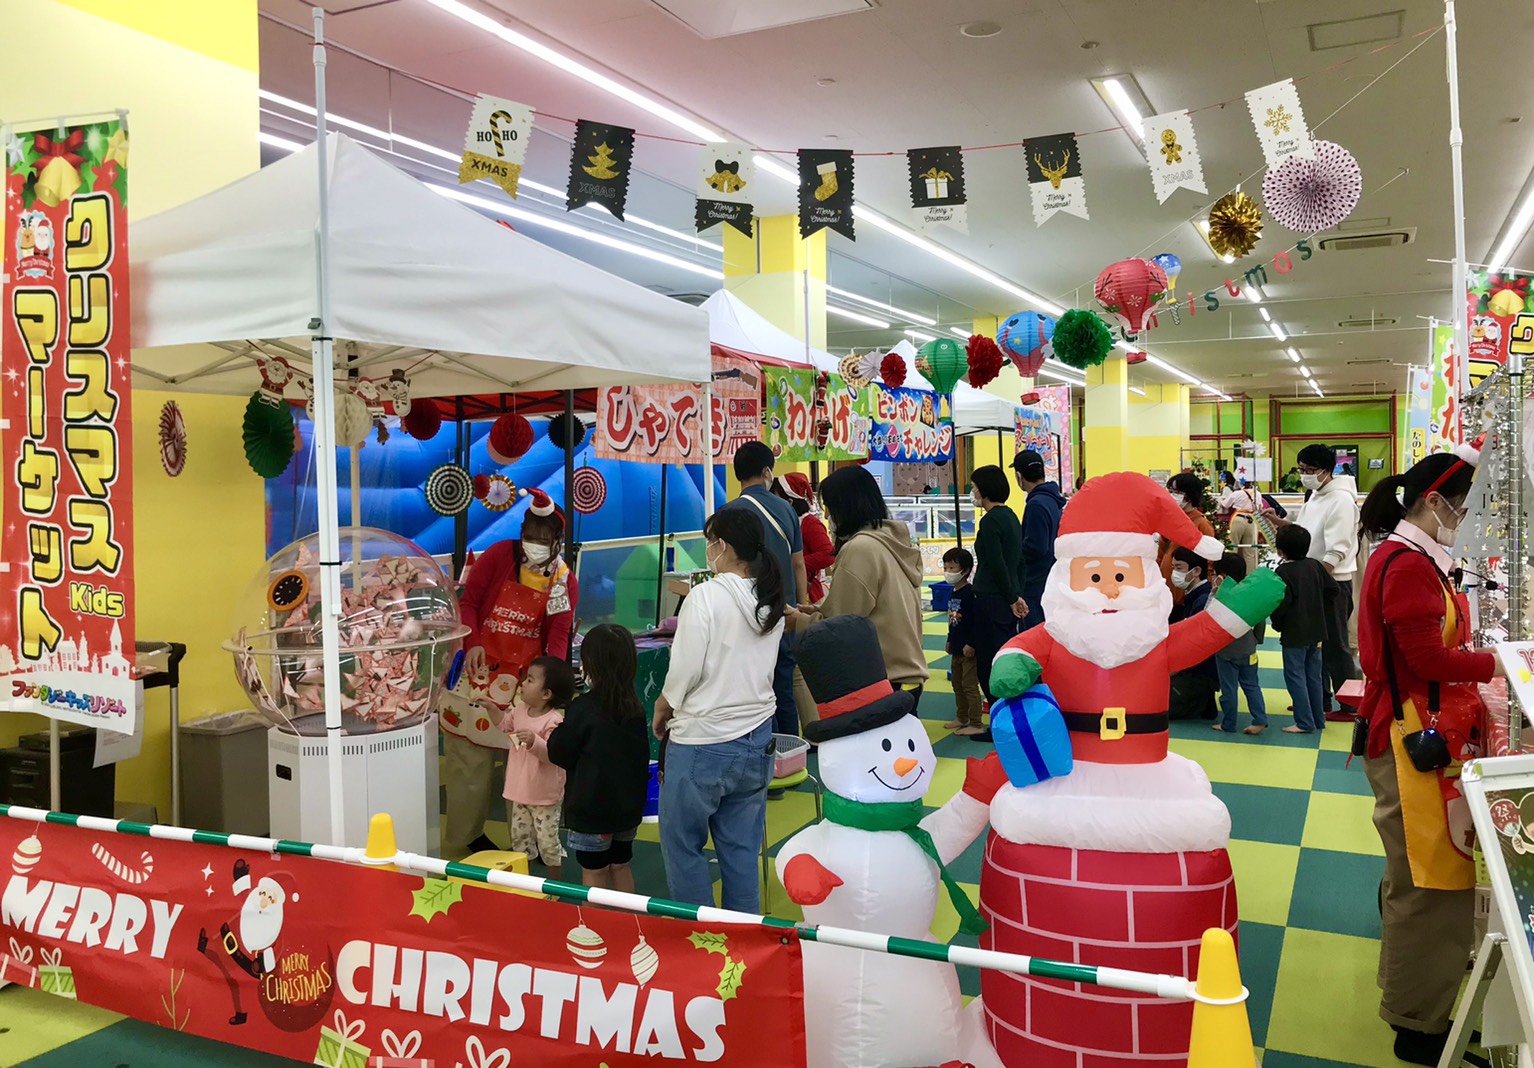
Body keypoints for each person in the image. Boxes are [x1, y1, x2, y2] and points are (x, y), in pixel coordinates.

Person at [1357, 450, 1502, 1066]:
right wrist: (1502, 664)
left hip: (1417, 730)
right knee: (1432, 886)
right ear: (1436, 502)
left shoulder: (1413, 559)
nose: (1467, 519)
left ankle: (1412, 1003)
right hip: (1412, 736)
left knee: (1416, 879)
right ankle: (1417, 1025)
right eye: (1466, 507)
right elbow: (1425, 661)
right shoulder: (1408, 565)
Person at [654, 508, 786, 912]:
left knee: (683, 846)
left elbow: (686, 668)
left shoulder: (705, 596)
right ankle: (740, 944)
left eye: (710, 541)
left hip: (703, 740)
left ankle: (699, 944)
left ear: (722, 546)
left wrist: (663, 704)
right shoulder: (770, 600)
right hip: (758, 735)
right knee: (742, 851)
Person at [442, 488, 578, 857]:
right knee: (470, 766)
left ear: (558, 542)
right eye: (529, 536)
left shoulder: (563, 581)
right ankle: (463, 840)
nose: (534, 544)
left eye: (543, 539)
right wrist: (473, 644)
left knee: (524, 766)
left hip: (525, 686)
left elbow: (559, 634)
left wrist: (552, 686)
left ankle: (528, 845)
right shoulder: (499, 555)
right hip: (478, 674)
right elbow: (467, 602)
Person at [801, 465, 928, 700]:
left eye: (830, 507)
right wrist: (819, 610)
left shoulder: (860, 548)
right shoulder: (890, 540)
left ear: (846, 506)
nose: (828, 516)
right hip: (906, 674)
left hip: (880, 678)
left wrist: (800, 621)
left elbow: (841, 625)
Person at [547, 624, 650, 892]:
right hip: (627, 810)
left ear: (590, 663)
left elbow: (560, 753)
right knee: (620, 864)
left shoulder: (582, 708)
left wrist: (557, 730)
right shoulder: (635, 708)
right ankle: (629, 923)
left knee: (594, 872)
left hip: (592, 811)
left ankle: (597, 928)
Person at [720, 441, 808, 738]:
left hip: (745, 612)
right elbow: (798, 565)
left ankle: (762, 756)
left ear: (737, 475)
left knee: (752, 687)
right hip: (784, 610)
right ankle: (791, 755)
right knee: (783, 684)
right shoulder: (786, 509)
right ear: (767, 471)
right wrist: (802, 606)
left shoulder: (728, 513)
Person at [1287, 443, 1360, 715]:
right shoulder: (1315, 495)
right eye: (1301, 469)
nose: (1305, 475)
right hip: (1314, 577)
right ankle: (1320, 698)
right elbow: (1305, 533)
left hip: (1332, 582)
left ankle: (1350, 704)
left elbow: (1337, 550)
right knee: (1314, 644)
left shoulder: (1341, 499)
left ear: (1327, 470)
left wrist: (1314, 581)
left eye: (1310, 470)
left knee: (1336, 646)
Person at [499, 655, 577, 874]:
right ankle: (527, 884)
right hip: (520, 791)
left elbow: (553, 754)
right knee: (520, 843)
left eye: (530, 680)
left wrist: (534, 741)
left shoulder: (554, 721)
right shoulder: (519, 710)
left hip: (544, 794)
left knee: (548, 843)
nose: (522, 683)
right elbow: (505, 725)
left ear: (546, 694)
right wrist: (490, 707)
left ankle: (556, 887)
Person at [773, 471, 836, 727]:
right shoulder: (793, 521)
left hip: (809, 595)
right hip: (801, 593)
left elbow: (827, 554)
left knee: (800, 668)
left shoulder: (808, 523)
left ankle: (813, 727)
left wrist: (796, 564)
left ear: (788, 498)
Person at [969, 464, 1027, 701]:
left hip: (990, 598)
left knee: (987, 660)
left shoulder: (990, 521)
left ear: (984, 490)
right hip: (1006, 597)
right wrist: (1016, 594)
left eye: (974, 488)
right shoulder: (1012, 516)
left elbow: (995, 562)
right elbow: (1019, 561)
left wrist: (1012, 596)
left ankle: (996, 714)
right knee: (1004, 654)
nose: (972, 493)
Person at [1270, 524, 1334, 735]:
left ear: (1280, 550)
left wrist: (1278, 623)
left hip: (1295, 633)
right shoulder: (1315, 565)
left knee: (1295, 675)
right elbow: (1332, 590)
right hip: (1317, 630)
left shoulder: (1283, 572)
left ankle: (1304, 721)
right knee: (1313, 675)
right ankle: (1317, 718)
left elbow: (1281, 604)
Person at [1211, 554, 1268, 735]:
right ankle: (1260, 719)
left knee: (1229, 688)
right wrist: (1257, 639)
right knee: (1252, 685)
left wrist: (1214, 592)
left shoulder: (1220, 595)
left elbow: (1208, 618)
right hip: (1249, 648)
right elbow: (1260, 618)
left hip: (1226, 651)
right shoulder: (1248, 593)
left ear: (1222, 576)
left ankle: (1229, 723)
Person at [1011, 449, 1066, 630]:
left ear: (1019, 476)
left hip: (1035, 582)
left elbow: (1035, 547)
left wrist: (1013, 551)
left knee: (1034, 635)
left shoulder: (1036, 504)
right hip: (1050, 577)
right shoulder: (1053, 500)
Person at [1166, 548, 1218, 721]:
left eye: (1179, 568)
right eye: (1173, 567)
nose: (1174, 573)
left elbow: (1195, 645)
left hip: (1199, 672)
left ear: (1196, 571)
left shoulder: (1203, 600)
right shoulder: (1193, 595)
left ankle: (1200, 700)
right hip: (1195, 670)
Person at [941, 547, 985, 736]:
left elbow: (978, 622)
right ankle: (962, 717)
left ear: (965, 570)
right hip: (957, 647)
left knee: (969, 686)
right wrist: (950, 640)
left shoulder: (971, 593)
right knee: (957, 684)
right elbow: (953, 621)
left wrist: (972, 644)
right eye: (946, 567)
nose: (948, 572)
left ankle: (976, 723)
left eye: (952, 568)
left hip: (969, 649)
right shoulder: (953, 593)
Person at [1159, 472, 1216, 603]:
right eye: (1171, 491)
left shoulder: (1201, 523)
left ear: (1189, 495)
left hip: (1187, 592)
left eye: (1177, 491)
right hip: (1166, 590)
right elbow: (1161, 553)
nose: (1172, 495)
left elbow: (1210, 561)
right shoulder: (1170, 521)